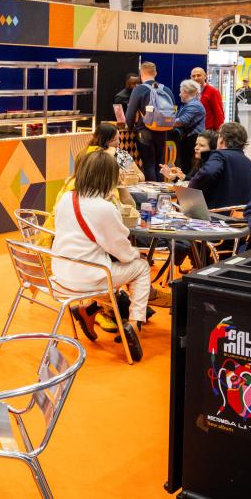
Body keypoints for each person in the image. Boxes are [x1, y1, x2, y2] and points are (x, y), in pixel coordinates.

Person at [51, 151, 150, 361]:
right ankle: (133, 325)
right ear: (109, 177)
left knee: (112, 269)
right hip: (89, 277)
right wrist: (137, 254)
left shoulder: (67, 198)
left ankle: (89, 310)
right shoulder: (104, 208)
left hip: (60, 273)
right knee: (141, 268)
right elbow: (122, 253)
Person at [187, 122, 251, 209]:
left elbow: (207, 173)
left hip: (217, 216)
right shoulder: (249, 164)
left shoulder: (220, 155)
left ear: (221, 139)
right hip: (243, 218)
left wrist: (190, 189)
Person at [125, 61, 178, 182]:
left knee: (148, 164)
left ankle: (151, 197)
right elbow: (173, 110)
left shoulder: (139, 89)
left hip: (145, 131)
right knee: (159, 165)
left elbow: (130, 114)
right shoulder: (166, 89)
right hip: (163, 131)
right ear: (156, 73)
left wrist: (131, 128)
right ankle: (160, 193)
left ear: (141, 73)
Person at [173, 79, 205, 170]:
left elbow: (181, 122)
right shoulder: (189, 104)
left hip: (192, 139)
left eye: (181, 92)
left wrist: (164, 122)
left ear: (186, 93)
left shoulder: (194, 105)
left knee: (188, 165)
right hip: (190, 138)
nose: (179, 94)